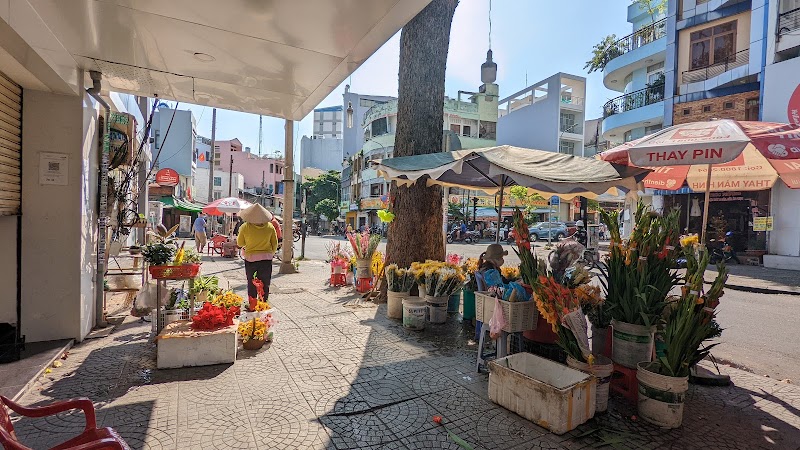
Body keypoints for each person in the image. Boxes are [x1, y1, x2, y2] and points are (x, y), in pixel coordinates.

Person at [237, 204, 278, 299]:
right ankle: (263, 304)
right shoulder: (270, 227)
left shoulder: (245, 227)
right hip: (266, 259)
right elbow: (274, 244)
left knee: (251, 283)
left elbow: (240, 243)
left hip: (251, 259)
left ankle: (252, 304)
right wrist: (270, 253)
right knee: (265, 282)